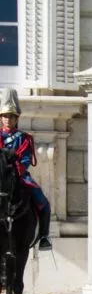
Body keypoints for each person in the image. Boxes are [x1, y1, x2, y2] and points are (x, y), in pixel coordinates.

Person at [0, 87, 53, 250]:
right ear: (1, 118)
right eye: (5, 116)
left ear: (16, 119)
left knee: (43, 202)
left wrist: (16, 171)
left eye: (12, 116)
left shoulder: (23, 138)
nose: (8, 119)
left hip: (19, 175)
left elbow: (25, 159)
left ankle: (44, 236)